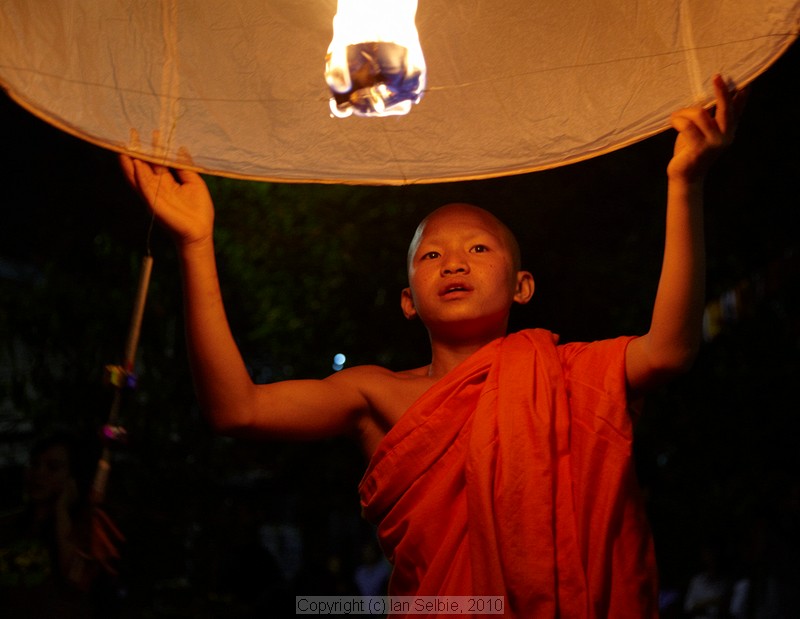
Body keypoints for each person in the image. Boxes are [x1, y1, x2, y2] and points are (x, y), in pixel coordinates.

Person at [120, 74, 745, 617]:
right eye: (431, 254)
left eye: (478, 249)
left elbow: (667, 350)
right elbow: (238, 410)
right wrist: (196, 246)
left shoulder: (564, 373)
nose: (453, 262)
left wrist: (684, 186)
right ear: (407, 299)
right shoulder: (377, 393)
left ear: (522, 285)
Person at [0, 431, 123, 618]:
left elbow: (76, 578)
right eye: (35, 465)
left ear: (72, 476)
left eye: (53, 467)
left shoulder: (89, 527)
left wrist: (61, 512)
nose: (39, 474)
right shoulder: (7, 526)